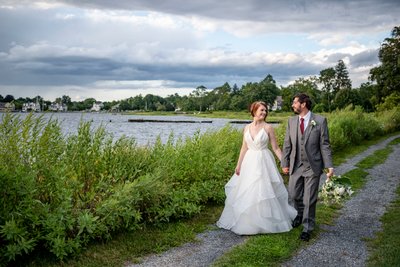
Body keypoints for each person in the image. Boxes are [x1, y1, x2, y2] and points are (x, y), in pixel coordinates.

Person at [216, 101, 297, 235]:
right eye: (262, 110)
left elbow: (275, 148)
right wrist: (238, 165)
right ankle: (249, 222)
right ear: (254, 111)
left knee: (264, 189)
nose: (264, 113)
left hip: (264, 160)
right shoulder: (246, 128)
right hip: (249, 161)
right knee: (248, 189)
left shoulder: (268, 127)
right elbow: (244, 147)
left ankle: (266, 221)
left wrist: (284, 163)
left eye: (265, 111)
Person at [281, 93, 334, 242]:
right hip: (296, 165)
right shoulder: (291, 121)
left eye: (294, 102)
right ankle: (299, 214)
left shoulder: (320, 121)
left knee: (309, 198)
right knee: (294, 194)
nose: (292, 105)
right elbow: (287, 144)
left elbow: (325, 145)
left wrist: (329, 165)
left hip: (312, 166)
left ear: (303, 104)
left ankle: (307, 228)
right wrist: (285, 163)